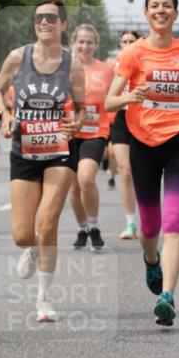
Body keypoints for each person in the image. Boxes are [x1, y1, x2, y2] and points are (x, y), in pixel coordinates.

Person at [0, 0, 85, 323]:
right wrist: (5, 114)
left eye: (50, 18)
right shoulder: (19, 57)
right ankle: (32, 249)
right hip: (24, 151)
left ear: (62, 24)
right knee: (23, 234)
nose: (43, 23)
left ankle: (44, 297)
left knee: (47, 223)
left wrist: (77, 122)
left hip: (59, 150)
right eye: (38, 18)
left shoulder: (71, 64)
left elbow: (83, 106)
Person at [106, 0, 179, 326]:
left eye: (167, 6)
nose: (161, 11)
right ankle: (150, 258)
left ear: (175, 13)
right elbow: (108, 103)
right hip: (144, 145)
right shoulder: (133, 54)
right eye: (155, 6)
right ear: (146, 14)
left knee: (174, 223)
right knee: (150, 227)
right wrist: (131, 96)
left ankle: (167, 296)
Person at [68, 24, 114, 252]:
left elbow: (114, 100)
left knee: (86, 179)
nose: (85, 46)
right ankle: (82, 228)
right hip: (67, 133)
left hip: (95, 132)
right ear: (73, 43)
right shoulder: (62, 67)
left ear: (96, 44)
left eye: (89, 42)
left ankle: (94, 227)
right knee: (74, 188)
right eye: (81, 41)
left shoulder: (106, 70)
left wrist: (112, 133)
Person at [108, 30, 141, 239]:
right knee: (125, 170)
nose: (128, 44)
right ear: (119, 45)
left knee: (144, 174)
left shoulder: (147, 62)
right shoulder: (113, 67)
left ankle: (148, 216)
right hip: (121, 120)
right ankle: (130, 223)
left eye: (132, 41)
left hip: (144, 121)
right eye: (124, 41)